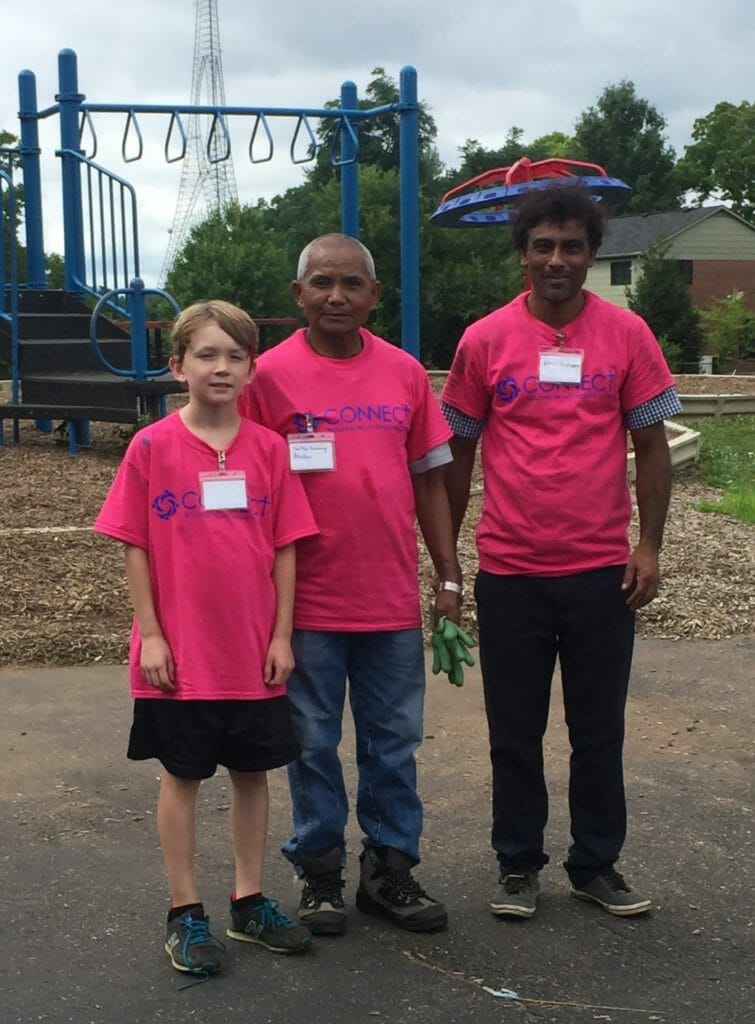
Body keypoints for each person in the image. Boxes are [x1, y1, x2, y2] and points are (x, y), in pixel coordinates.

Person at [442, 183, 683, 920]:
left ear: (590, 253)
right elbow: (457, 450)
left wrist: (647, 545)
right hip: (511, 571)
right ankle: (517, 865)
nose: (556, 259)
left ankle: (594, 863)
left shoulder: (627, 335)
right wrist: (447, 562)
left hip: (599, 573)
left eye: (571, 246)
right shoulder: (483, 340)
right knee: (514, 730)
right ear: (522, 252)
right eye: (542, 245)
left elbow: (651, 445)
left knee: (597, 729)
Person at [239, 233, 462, 936]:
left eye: (351, 284)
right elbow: (243, 488)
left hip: (388, 601)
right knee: (309, 743)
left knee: (392, 743)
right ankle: (321, 874)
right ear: (298, 295)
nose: (337, 296)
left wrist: (449, 574)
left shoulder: (402, 375)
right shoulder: (266, 378)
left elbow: (430, 480)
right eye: (322, 283)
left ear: (373, 295)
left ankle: (389, 870)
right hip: (301, 605)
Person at [94, 300, 319, 978]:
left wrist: (281, 635)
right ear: (178, 366)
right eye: (206, 355)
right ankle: (184, 912)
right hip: (180, 657)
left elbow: (285, 548)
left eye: (234, 355)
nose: (221, 367)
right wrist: (153, 636)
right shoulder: (152, 447)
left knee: (253, 775)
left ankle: (248, 900)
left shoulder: (269, 450)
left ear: (251, 368)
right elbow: (133, 544)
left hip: (252, 653)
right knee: (183, 776)